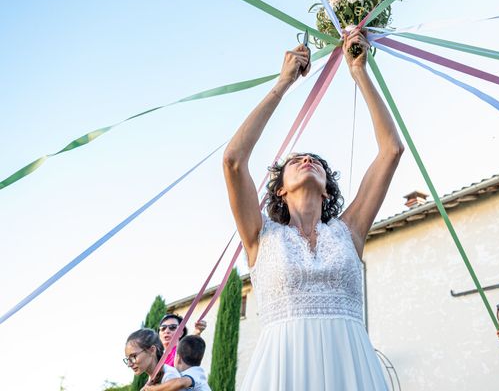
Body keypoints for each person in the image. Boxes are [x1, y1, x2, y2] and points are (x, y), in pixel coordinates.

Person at [223, 30, 404, 390]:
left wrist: (359, 71)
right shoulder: (260, 237)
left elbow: (391, 150)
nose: (307, 158)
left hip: (351, 371)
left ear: (326, 190)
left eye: (316, 161)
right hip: (282, 373)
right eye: (296, 161)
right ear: (279, 189)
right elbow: (233, 160)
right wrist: (283, 81)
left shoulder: (348, 231)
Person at [143, 335, 212, 391]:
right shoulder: (197, 373)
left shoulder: (194, 373)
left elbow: (180, 383)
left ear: (178, 359)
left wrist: (153, 389)